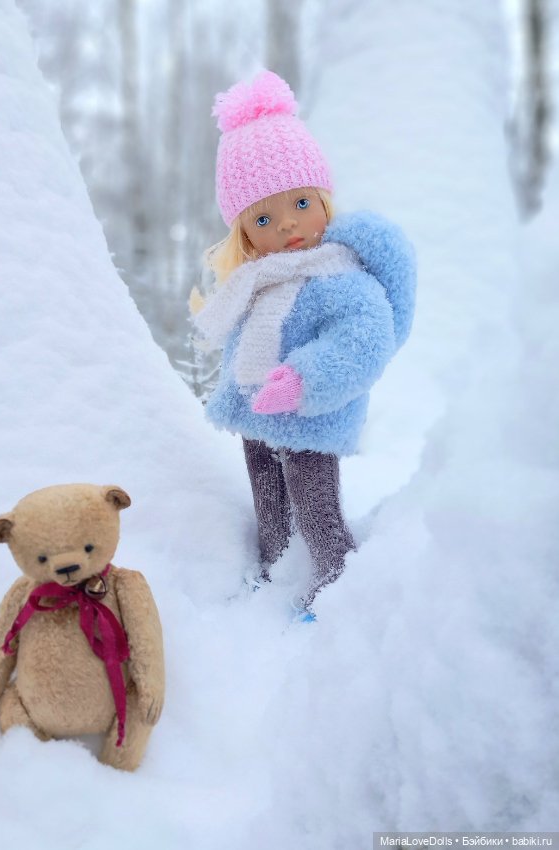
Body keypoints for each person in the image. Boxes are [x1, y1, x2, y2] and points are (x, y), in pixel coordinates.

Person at [192, 71, 416, 621]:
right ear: (245, 232)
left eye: (301, 204)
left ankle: (333, 579)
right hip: (256, 415)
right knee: (268, 498)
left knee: (315, 506)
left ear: (323, 198)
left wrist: (303, 380)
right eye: (264, 218)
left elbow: (363, 341)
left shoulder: (339, 276)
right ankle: (272, 565)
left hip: (311, 418)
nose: (288, 225)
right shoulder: (259, 278)